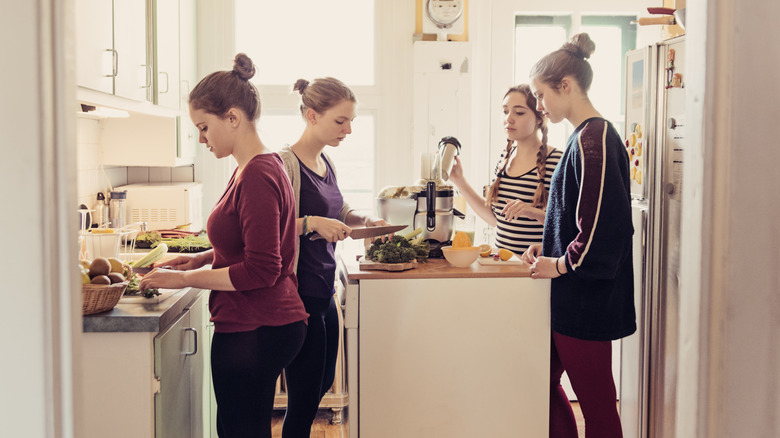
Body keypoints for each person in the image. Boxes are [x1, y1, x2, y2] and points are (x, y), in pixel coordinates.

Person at [138, 53, 309, 438]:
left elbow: (262, 268)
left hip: (258, 325)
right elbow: (249, 247)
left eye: (203, 126)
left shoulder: (257, 174)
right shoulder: (255, 166)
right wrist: (198, 259)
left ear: (232, 117)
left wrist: (186, 280)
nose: (201, 138)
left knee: (239, 431)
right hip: (262, 322)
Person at [520, 33, 635, 438]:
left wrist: (560, 262)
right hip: (571, 295)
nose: (538, 105)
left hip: (586, 298)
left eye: (540, 94)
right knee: (540, 384)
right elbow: (576, 215)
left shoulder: (596, 139)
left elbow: (606, 230)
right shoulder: (583, 137)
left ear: (565, 86)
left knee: (598, 404)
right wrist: (547, 244)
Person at [277, 77, 387, 437]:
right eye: (341, 121)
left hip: (324, 289)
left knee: (322, 382)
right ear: (312, 115)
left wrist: (363, 219)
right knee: (305, 395)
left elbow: (338, 210)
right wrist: (311, 223)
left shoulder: (326, 162)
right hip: (298, 292)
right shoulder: (284, 164)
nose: (349, 129)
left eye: (351, 120)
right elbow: (268, 228)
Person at [448, 84, 562, 254]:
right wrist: (460, 181)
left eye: (519, 112)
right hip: (504, 265)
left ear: (539, 117)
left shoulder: (557, 161)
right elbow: (496, 221)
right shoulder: (505, 157)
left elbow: (567, 227)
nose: (509, 118)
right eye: (505, 111)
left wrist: (534, 213)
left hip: (536, 269)